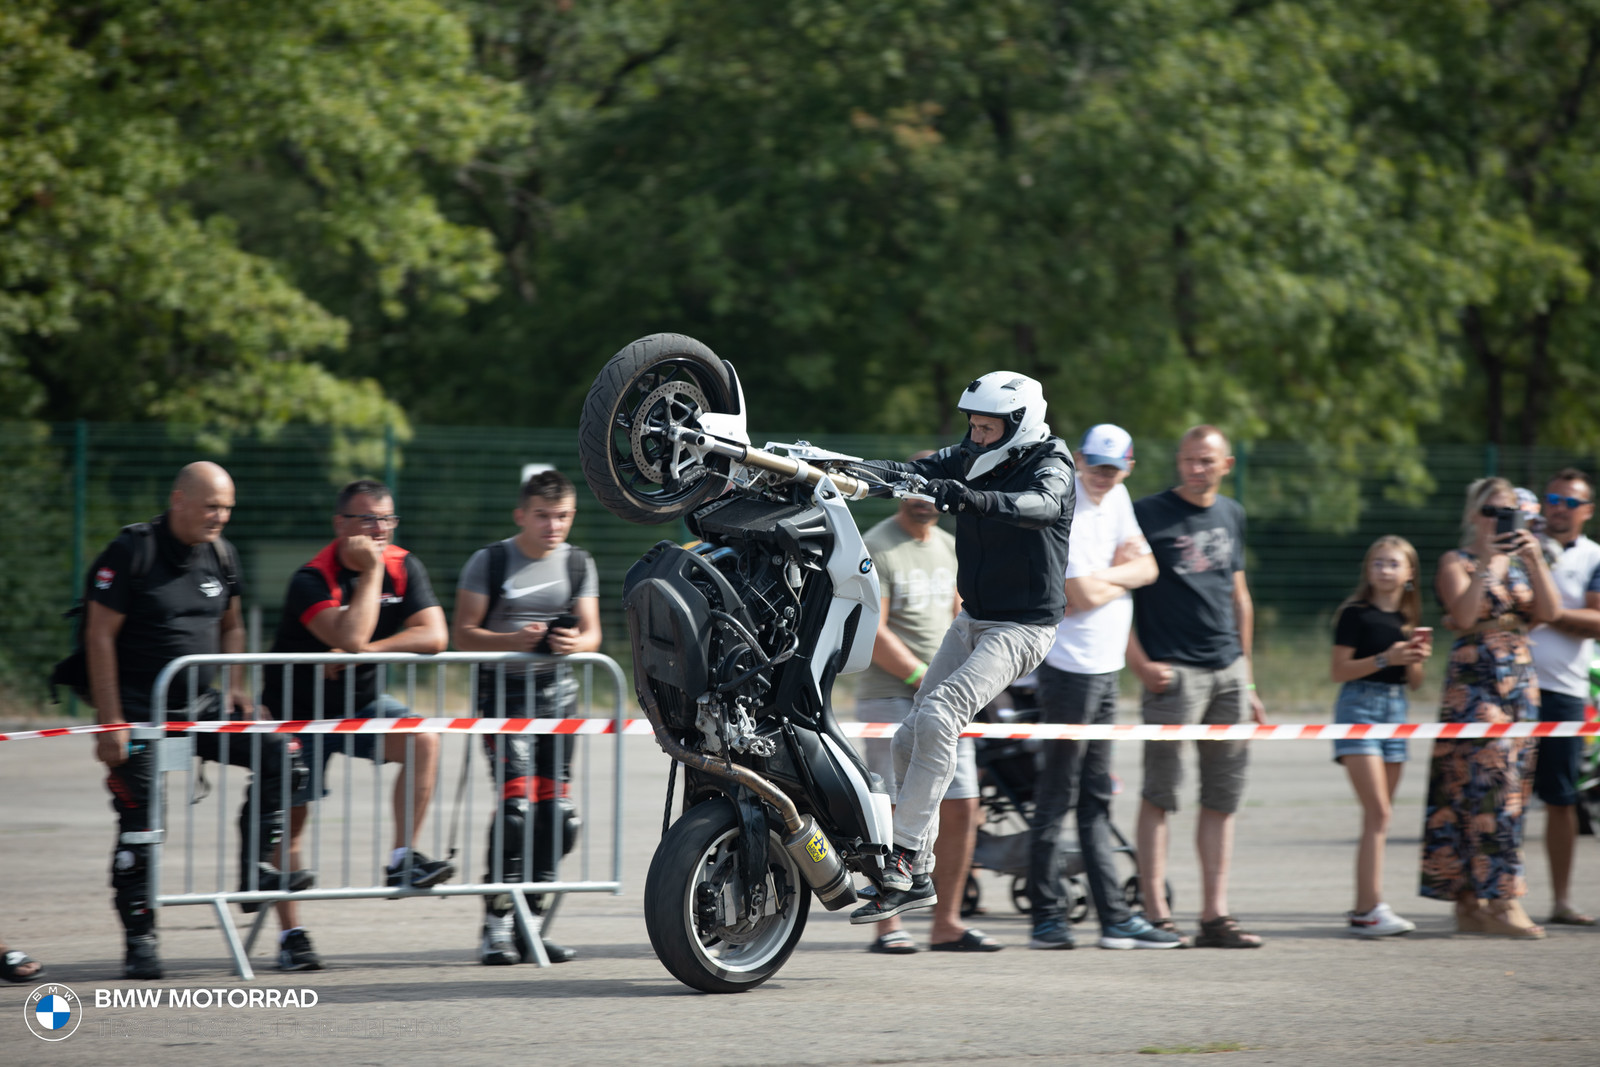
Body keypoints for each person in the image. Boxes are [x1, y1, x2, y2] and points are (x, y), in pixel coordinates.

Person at [848, 372, 1074, 928]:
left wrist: (965, 496)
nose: (975, 436)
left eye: (987, 427)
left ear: (1017, 427)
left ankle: (902, 856)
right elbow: (911, 473)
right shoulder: (972, 452)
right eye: (971, 425)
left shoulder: (1052, 463)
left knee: (942, 714)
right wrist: (838, 470)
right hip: (974, 618)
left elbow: (1041, 505)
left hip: (1021, 629)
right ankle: (917, 872)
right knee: (909, 733)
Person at [86, 462, 309, 979]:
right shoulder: (132, 551)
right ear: (178, 499)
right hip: (139, 709)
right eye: (211, 506)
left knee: (281, 751)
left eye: (227, 507)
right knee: (141, 823)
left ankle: (256, 871)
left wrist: (234, 687)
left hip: (199, 703)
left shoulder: (221, 554)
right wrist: (111, 719)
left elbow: (231, 626)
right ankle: (141, 937)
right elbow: (97, 636)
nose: (220, 517)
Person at [259, 478, 449, 971]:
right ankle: (291, 936)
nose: (379, 529)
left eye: (387, 519)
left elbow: (435, 635)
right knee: (293, 819)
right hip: (298, 714)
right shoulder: (310, 579)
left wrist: (371, 651)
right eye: (366, 519)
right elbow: (348, 634)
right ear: (340, 525)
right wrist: (368, 576)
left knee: (423, 738)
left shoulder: (405, 566)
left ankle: (402, 858)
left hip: (361, 705)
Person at [1026, 424, 1179, 950]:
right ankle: (1048, 918)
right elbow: (1079, 592)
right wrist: (1120, 574)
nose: (1103, 477)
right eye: (1095, 466)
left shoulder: (1118, 497)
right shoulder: (1064, 500)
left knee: (1094, 798)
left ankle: (1114, 917)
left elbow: (1150, 567)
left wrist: (1112, 577)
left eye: (1113, 469)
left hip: (1107, 667)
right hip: (1069, 669)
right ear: (1079, 460)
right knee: (1057, 794)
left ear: (1129, 467)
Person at [453, 469, 602, 966]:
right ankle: (493, 928)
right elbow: (464, 634)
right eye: (542, 516)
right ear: (521, 515)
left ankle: (530, 925)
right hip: (504, 695)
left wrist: (571, 642)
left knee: (558, 817)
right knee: (517, 814)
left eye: (561, 516)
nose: (552, 525)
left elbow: (592, 636)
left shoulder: (579, 563)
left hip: (558, 698)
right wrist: (511, 642)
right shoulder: (491, 561)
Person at [1126, 425, 1266, 949]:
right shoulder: (1147, 514)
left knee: (1222, 797)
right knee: (1161, 793)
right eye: (1188, 459)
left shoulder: (1232, 514)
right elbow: (1120, 595)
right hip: (1172, 672)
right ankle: (1157, 913)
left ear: (1225, 464)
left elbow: (1239, 595)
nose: (1196, 468)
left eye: (1207, 461)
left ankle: (1215, 915)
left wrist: (1247, 676)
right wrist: (1138, 664)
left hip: (1228, 670)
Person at [855, 451, 1000, 954]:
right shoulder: (875, 546)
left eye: (936, 487)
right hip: (889, 695)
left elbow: (964, 616)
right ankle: (888, 924)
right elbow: (872, 631)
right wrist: (923, 678)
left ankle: (947, 923)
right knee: (893, 806)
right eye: (917, 486)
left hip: (946, 698)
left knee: (963, 804)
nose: (926, 497)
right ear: (903, 489)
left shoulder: (950, 547)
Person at [1421, 477, 1559, 937]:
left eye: (1508, 511)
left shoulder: (1522, 563)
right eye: (1491, 511)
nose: (1499, 520)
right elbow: (1462, 616)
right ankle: (1500, 900)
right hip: (1474, 679)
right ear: (1474, 515)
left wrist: (1534, 557)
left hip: (1519, 679)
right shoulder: (1456, 561)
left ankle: (1472, 903)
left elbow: (1550, 612)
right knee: (1476, 787)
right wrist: (1485, 563)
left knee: (1510, 788)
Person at [1328, 536, 1433, 937]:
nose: (1384, 570)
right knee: (1380, 813)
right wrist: (1387, 657)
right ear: (1368, 570)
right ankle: (1371, 907)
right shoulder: (1354, 613)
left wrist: (1415, 659)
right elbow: (1339, 670)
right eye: (1378, 563)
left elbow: (1415, 683)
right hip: (1358, 707)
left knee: (1379, 816)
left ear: (1409, 574)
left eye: (1393, 564)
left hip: (1397, 709)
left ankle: (1363, 908)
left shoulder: (1408, 621)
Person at [1526, 468, 1599, 927]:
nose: (1559, 507)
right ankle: (1492, 900)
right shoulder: (1520, 547)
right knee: (1500, 797)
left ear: (1587, 511)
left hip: (1565, 692)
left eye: (1571, 502)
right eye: (1553, 498)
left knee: (1561, 800)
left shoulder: (1594, 556)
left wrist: (1550, 615)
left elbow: (1597, 620)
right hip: (1509, 689)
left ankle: (1561, 899)